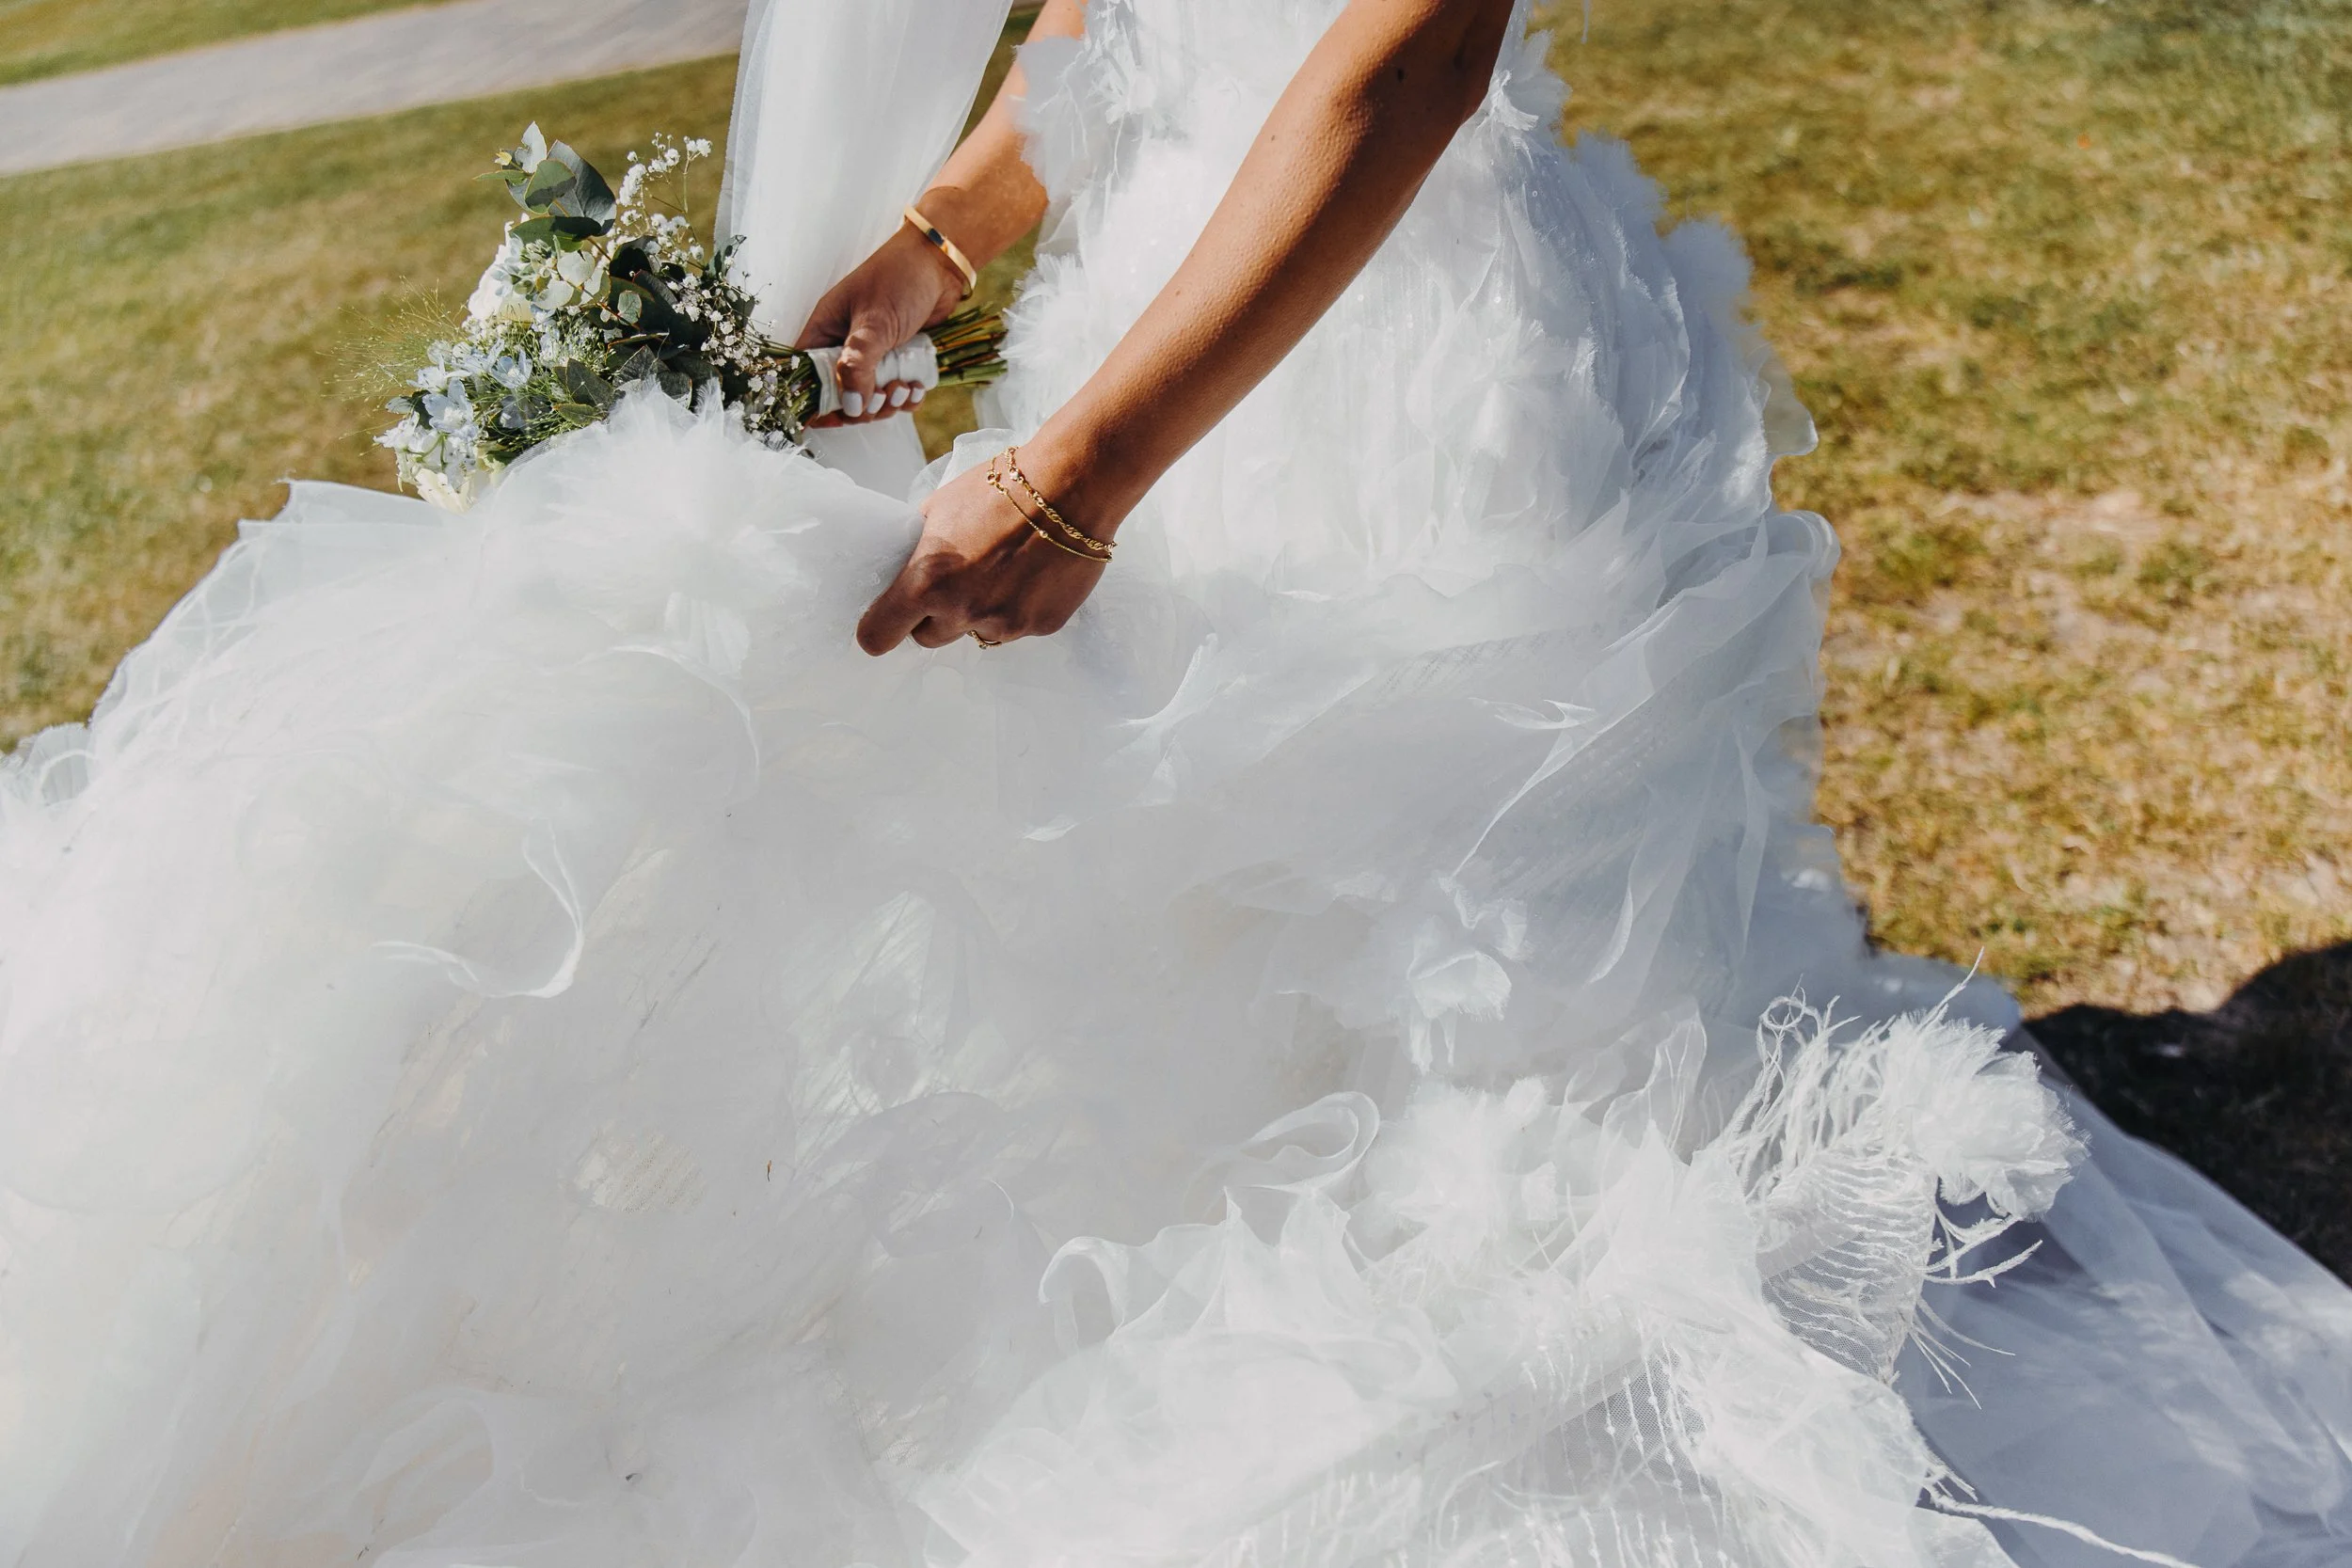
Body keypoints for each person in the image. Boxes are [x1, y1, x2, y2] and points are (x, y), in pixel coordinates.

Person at [0, 0, 2344, 1563]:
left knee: (1457, 989)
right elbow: (1109, 18)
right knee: (1151, 929)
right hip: (1154, 279)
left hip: (1394, 347)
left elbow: (1401, 52)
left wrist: (1089, 467)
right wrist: (937, 245)